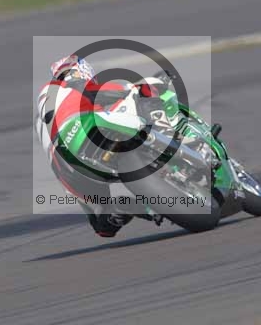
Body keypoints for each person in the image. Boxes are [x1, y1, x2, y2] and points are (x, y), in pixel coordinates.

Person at [35, 55, 166, 237]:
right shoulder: (68, 85)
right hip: (84, 128)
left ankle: (128, 208)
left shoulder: (42, 115)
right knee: (141, 92)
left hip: (65, 166)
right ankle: (164, 129)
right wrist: (147, 86)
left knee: (102, 224)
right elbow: (108, 91)